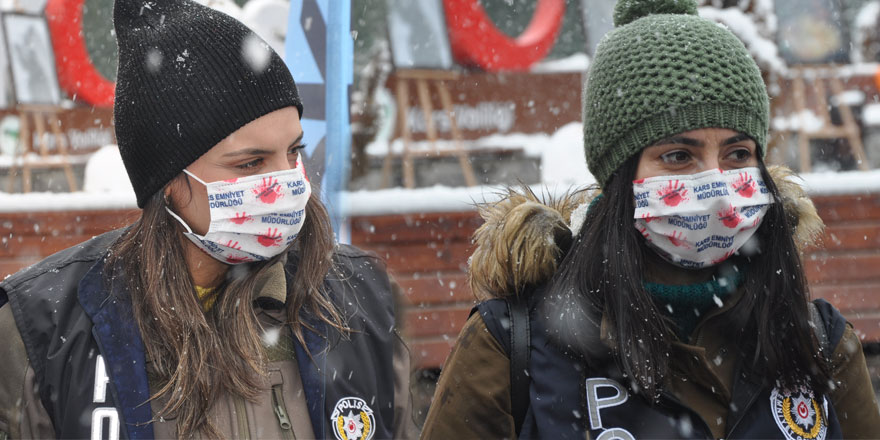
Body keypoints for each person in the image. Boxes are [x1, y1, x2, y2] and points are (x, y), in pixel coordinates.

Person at [421, 0, 880, 438]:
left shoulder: (818, 343)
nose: (717, 187)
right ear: (621, 176)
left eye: (738, 153)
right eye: (679, 155)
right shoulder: (513, 350)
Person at [0, 0, 414, 439]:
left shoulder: (359, 299)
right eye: (251, 163)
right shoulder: (48, 329)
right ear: (169, 183)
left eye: (293, 151)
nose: (287, 183)